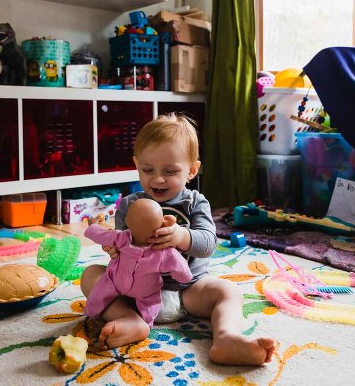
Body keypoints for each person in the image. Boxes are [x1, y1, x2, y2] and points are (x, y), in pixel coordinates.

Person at [80, 113, 276, 365]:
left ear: (192, 170)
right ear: (136, 164)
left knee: (229, 291)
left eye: (170, 171)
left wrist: (181, 236)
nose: (157, 179)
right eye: (147, 170)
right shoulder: (129, 204)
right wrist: (114, 250)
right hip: (135, 293)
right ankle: (130, 319)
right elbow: (122, 243)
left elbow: (208, 244)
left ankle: (227, 338)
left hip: (189, 291)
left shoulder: (195, 202)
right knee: (91, 275)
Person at [83, 198, 193, 326]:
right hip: (145, 291)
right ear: (161, 225)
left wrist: (93, 225)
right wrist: (184, 277)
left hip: (117, 282)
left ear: (126, 221)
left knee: (100, 292)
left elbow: (100, 235)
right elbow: (180, 267)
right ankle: (146, 323)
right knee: (150, 306)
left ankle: (94, 313)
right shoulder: (163, 251)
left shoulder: (120, 237)